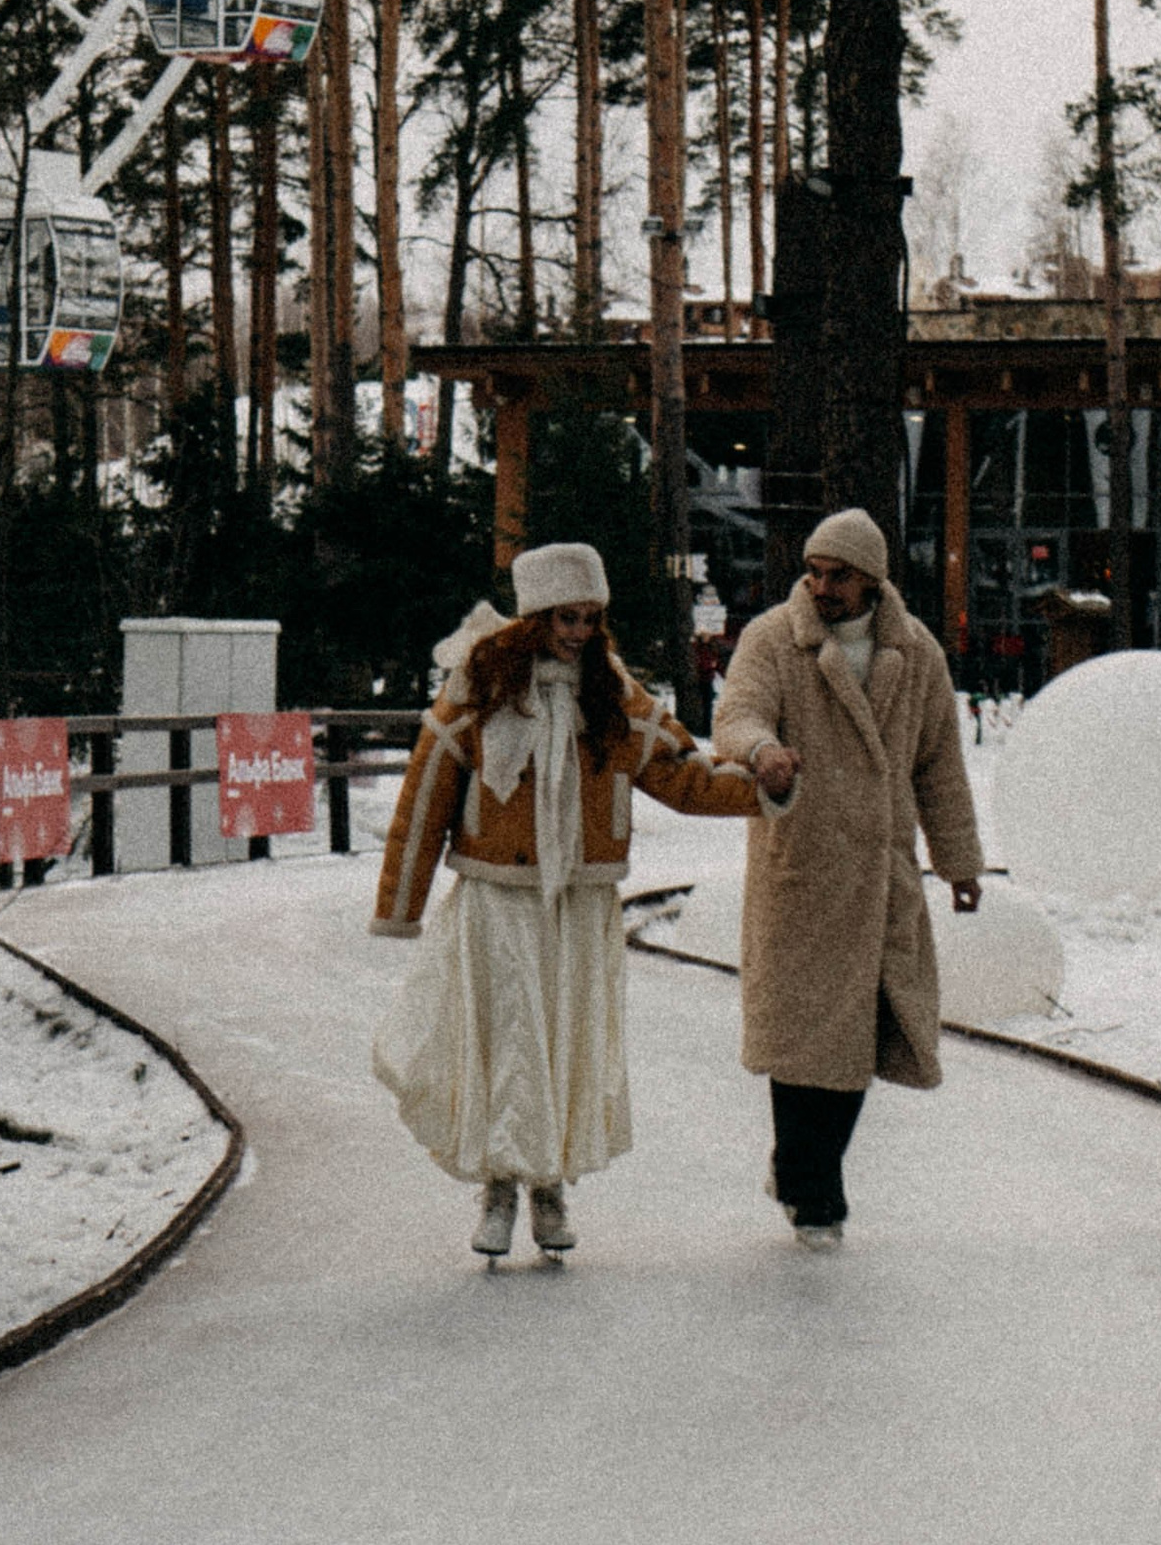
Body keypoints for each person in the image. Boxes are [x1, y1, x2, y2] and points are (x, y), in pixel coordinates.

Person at [370, 542, 779, 1262]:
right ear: (534, 616)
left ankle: (549, 1183)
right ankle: (499, 1186)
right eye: (566, 617)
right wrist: (401, 903)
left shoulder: (614, 695)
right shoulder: (480, 687)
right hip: (499, 896)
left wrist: (763, 789)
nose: (579, 632)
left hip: (581, 901)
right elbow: (427, 792)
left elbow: (682, 773)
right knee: (508, 1041)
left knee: (562, 1041)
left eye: (591, 618)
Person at [711, 507, 984, 1244]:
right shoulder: (775, 639)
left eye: (839, 575)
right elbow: (735, 715)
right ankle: (815, 1192)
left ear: (872, 580)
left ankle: (802, 1167)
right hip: (801, 868)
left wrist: (959, 863)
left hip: (879, 874)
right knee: (803, 1039)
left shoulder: (916, 652)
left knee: (860, 1040)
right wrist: (763, 751)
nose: (822, 587)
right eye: (815, 572)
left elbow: (939, 766)